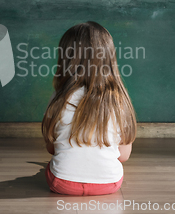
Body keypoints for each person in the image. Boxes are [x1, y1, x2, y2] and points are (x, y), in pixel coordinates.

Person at [42, 21, 137, 196]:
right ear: (109, 58)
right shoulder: (119, 100)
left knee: (50, 167)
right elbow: (123, 156)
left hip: (62, 183)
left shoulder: (57, 98)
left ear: (65, 59)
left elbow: (52, 149)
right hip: (109, 183)